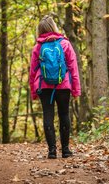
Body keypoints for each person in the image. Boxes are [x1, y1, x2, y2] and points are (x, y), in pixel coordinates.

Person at [29, 15, 81, 159]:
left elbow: (32, 72)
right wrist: (76, 89)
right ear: (54, 27)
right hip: (63, 85)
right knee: (64, 115)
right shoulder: (65, 44)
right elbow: (73, 68)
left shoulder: (38, 47)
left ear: (40, 30)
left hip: (44, 86)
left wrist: (33, 92)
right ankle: (65, 150)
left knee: (48, 115)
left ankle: (52, 151)